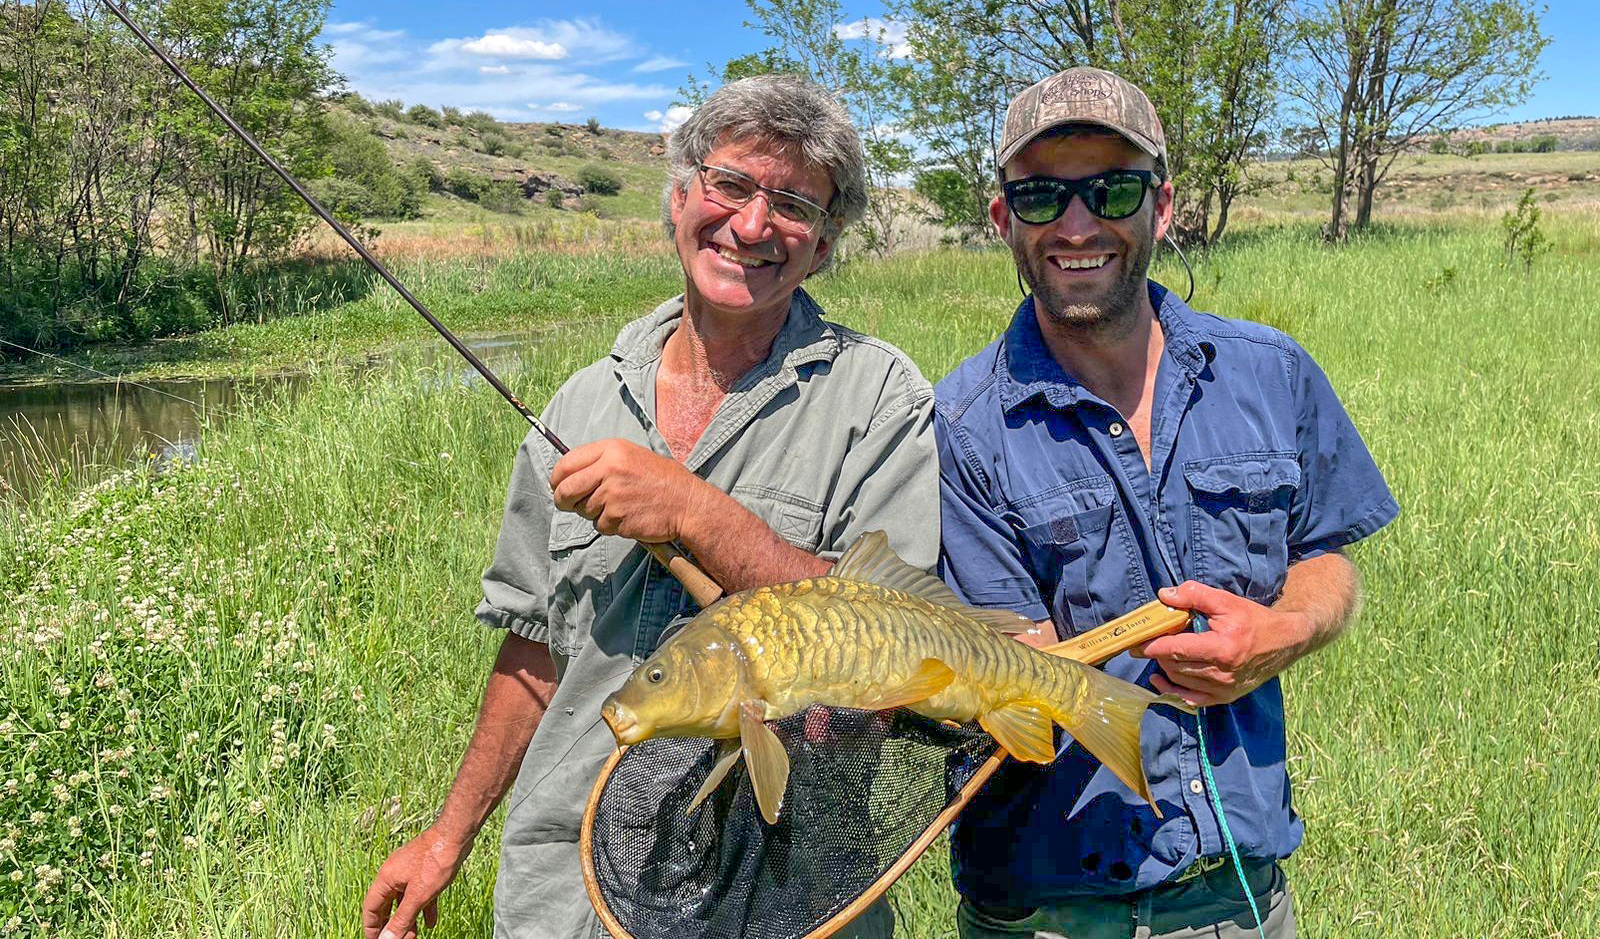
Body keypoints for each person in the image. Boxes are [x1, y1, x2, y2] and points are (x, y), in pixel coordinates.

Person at [362, 75, 938, 939]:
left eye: (791, 202)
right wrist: (447, 839)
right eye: (730, 184)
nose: (750, 225)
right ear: (679, 199)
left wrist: (694, 512)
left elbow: (891, 638)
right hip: (568, 885)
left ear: (823, 245)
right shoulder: (581, 405)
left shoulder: (880, 398)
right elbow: (534, 648)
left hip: (780, 895)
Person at [934, 67, 1399, 939]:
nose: (1077, 225)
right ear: (1003, 220)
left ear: (1163, 204)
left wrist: (1284, 632)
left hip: (1241, 897)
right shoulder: (962, 428)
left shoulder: (1270, 372)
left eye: (1111, 189)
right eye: (1040, 197)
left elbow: (1327, 556)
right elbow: (1010, 672)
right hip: (1048, 912)